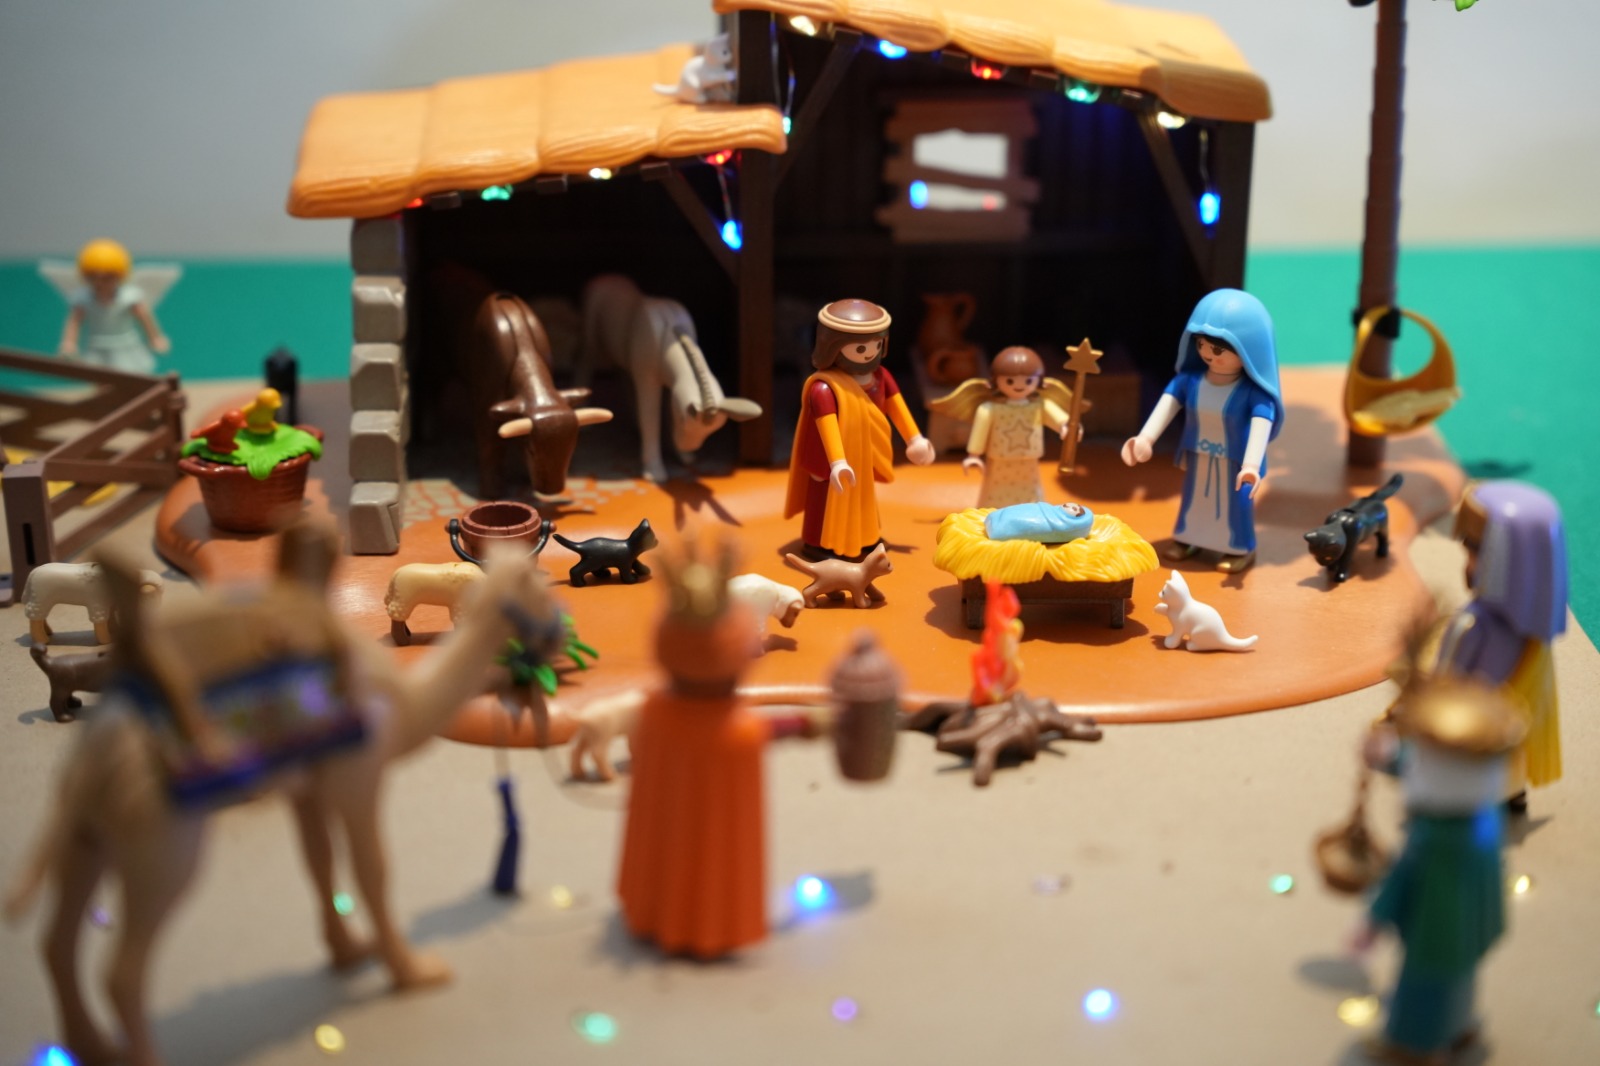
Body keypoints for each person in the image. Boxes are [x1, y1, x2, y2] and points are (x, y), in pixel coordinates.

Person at [1120, 289, 1282, 574]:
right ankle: (1188, 539)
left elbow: (1261, 425)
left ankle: (1239, 548)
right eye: (1201, 344)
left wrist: (1251, 466)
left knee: (1236, 507)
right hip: (1199, 455)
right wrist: (1145, 439)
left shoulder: (1253, 393)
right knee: (1194, 500)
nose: (1207, 353)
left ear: (1249, 349)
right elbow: (1168, 404)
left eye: (1218, 350)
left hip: (1235, 463)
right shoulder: (1190, 381)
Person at [1436, 480, 1568, 811]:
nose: (1467, 561)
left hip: (1471, 731)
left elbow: (1445, 679)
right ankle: (1510, 792)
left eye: (1473, 549)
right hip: (1506, 740)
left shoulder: (1472, 625)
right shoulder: (1535, 637)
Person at [784, 299, 935, 560]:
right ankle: (820, 543)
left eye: (876, 345)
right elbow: (826, 423)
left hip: (864, 451)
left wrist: (915, 439)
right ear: (833, 346)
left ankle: (864, 538)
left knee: (863, 496)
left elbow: (896, 406)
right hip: (828, 457)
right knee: (825, 500)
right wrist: (837, 462)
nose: (869, 353)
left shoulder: (880, 377)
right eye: (861, 347)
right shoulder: (824, 388)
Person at [929, 346, 1076, 508]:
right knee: (995, 491)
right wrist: (974, 455)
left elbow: (1060, 420)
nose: (1019, 386)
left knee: (1031, 490)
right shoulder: (990, 409)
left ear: (1039, 380)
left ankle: (1032, 512)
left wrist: (1066, 428)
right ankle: (993, 512)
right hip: (1000, 460)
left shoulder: (1040, 406)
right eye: (1010, 381)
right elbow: (980, 431)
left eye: (1028, 381)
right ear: (996, 380)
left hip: (1029, 461)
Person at [54, 239, 173, 374]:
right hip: (98, 347)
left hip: (125, 345)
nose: (100, 283)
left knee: (130, 373)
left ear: (119, 276)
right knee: (99, 375)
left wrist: (155, 338)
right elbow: (74, 322)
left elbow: (144, 316)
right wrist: (69, 343)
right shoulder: (83, 298)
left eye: (107, 278)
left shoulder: (129, 296)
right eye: (93, 277)